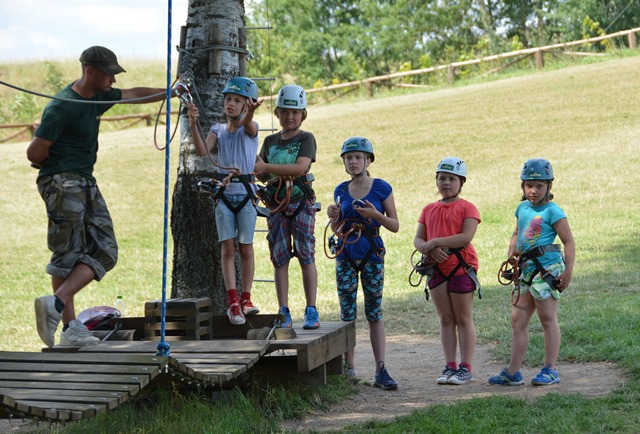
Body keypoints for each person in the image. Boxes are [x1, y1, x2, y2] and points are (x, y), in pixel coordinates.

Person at [27, 46, 175, 347]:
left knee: (106, 249)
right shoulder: (62, 107)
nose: (114, 79)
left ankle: (56, 302)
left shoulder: (98, 97)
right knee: (67, 254)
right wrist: (60, 169)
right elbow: (34, 152)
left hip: (85, 181)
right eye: (109, 74)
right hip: (62, 182)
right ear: (90, 71)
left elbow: (133, 95)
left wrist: (171, 93)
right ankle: (71, 328)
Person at [488, 158, 575, 386]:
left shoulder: (553, 211)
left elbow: (569, 242)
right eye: (529, 185)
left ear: (549, 186)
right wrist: (511, 255)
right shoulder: (522, 208)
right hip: (525, 270)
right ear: (522, 186)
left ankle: (550, 369)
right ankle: (513, 372)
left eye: (539, 186)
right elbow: (517, 233)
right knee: (518, 321)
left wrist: (568, 272)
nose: (533, 190)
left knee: (547, 319)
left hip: (547, 270)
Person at [187, 76, 263, 326]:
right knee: (228, 248)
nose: (230, 103)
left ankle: (246, 298)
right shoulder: (218, 130)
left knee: (246, 247)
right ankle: (233, 302)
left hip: (246, 194)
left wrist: (250, 112)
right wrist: (194, 124)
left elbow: (247, 123)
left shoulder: (250, 127)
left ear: (247, 104)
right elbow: (202, 151)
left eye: (237, 100)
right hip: (224, 196)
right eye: (228, 99)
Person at [326, 136, 399, 390]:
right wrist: (334, 218)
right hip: (346, 254)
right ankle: (349, 368)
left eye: (358, 157)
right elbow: (337, 229)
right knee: (347, 313)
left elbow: (395, 225)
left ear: (369, 160)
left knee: (374, 311)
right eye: (349, 158)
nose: (353, 162)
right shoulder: (340, 190)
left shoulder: (381, 188)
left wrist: (375, 214)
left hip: (372, 255)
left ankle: (381, 369)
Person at [253, 84, 320, 330]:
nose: (289, 117)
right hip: (276, 205)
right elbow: (261, 174)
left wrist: (266, 168)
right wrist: (258, 168)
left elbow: (300, 168)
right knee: (279, 258)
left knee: (305, 255)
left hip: (300, 202)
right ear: (277, 113)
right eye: (285, 112)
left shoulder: (306, 138)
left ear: (302, 115)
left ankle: (311, 308)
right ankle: (283, 310)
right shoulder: (270, 141)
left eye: (295, 112)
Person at [413, 157, 481, 385]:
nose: (446, 183)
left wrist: (436, 242)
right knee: (445, 318)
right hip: (436, 269)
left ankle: (466, 367)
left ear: (461, 182)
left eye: (452, 179)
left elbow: (466, 236)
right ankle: (450, 365)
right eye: (442, 178)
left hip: (461, 267)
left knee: (463, 317)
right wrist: (428, 248)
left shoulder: (467, 208)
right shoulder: (428, 209)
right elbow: (418, 238)